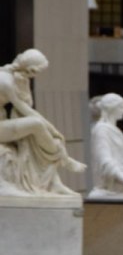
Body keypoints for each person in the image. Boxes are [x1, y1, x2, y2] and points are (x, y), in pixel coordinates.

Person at [0, 49, 85, 196]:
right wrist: (55, 132)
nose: (36, 76)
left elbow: (26, 107)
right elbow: (27, 111)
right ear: (31, 69)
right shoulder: (5, 81)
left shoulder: (19, 79)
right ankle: (63, 159)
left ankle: (55, 183)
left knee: (36, 134)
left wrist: (23, 85)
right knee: (36, 125)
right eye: (37, 72)